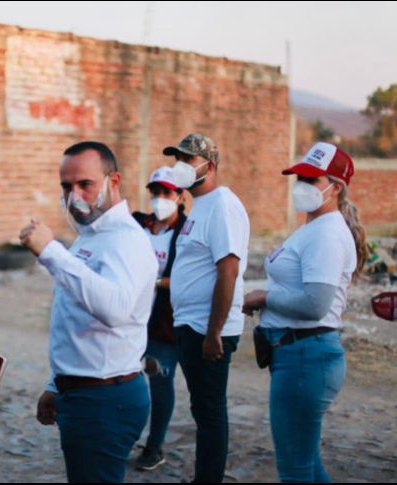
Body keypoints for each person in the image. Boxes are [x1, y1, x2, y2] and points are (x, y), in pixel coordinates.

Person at [19, 141, 158, 483]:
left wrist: (51, 252)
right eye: (66, 186)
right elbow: (74, 318)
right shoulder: (90, 237)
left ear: (114, 181)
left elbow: (114, 309)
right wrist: (57, 384)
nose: (74, 195)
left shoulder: (126, 239)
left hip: (105, 399)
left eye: (85, 184)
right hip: (83, 392)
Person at [243, 142, 367, 483]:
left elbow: (315, 304)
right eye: (299, 177)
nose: (300, 185)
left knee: (295, 468)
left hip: (305, 356)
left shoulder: (326, 234)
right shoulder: (315, 228)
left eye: (310, 180)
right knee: (307, 464)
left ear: (335, 188)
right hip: (299, 355)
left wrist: (262, 297)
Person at [165, 134, 250, 483]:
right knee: (202, 409)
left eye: (188, 160)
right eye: (178, 159)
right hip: (192, 325)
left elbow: (227, 269)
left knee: (211, 412)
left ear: (209, 166)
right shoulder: (201, 206)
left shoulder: (223, 205)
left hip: (208, 330)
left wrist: (214, 331)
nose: (180, 166)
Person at [131, 166, 187, 471]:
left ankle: (154, 446)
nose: (160, 199)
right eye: (156, 192)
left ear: (179, 196)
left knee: (160, 381)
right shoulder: (137, 224)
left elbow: (188, 278)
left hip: (165, 322)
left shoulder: (187, 232)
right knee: (127, 378)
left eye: (167, 193)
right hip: (131, 317)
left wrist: (150, 281)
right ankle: (126, 435)